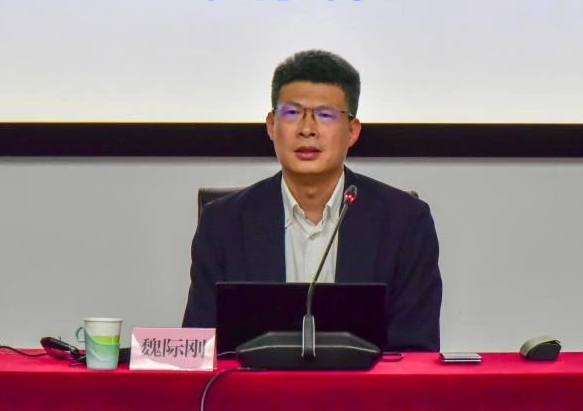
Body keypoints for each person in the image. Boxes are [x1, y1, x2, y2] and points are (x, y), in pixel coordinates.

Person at [181, 50, 443, 351]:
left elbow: (415, 349)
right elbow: (199, 349)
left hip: (367, 384)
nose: (307, 129)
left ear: (352, 131)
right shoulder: (222, 224)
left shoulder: (405, 222)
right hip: (254, 383)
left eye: (325, 115)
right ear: (271, 125)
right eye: (292, 113)